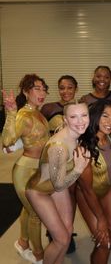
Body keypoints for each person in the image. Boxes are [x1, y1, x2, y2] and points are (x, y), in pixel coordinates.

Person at [26, 101, 91, 264]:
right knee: (61, 239)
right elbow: (59, 185)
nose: (80, 121)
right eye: (73, 117)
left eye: (84, 115)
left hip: (56, 183)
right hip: (40, 191)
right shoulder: (59, 146)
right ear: (65, 119)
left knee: (68, 232)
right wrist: (78, 169)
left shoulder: (75, 135)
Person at [2, 74, 49, 263]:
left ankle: (22, 242)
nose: (42, 92)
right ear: (25, 91)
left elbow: (34, 139)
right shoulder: (23, 114)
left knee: (28, 209)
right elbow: (7, 141)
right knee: (36, 213)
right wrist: (11, 112)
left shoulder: (39, 112)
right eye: (37, 88)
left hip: (39, 168)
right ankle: (39, 255)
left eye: (44, 88)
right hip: (25, 171)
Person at [76, 100, 111, 264]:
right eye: (105, 116)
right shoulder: (84, 146)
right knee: (103, 242)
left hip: (109, 190)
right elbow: (87, 190)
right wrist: (101, 219)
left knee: (108, 238)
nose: (110, 122)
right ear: (95, 117)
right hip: (88, 195)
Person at [41, 74, 79, 253]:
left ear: (76, 89)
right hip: (55, 160)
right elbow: (39, 133)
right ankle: (54, 233)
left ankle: (68, 232)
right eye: (62, 87)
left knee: (72, 197)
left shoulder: (80, 108)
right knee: (55, 195)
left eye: (69, 87)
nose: (65, 91)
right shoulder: (49, 108)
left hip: (74, 158)